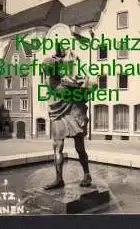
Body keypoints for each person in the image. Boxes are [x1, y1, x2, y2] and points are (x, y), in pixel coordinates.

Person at [42, 44, 95, 190]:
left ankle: (86, 175)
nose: (46, 72)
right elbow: (84, 89)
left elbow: (84, 88)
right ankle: (60, 179)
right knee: (58, 147)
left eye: (48, 69)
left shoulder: (58, 80)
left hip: (73, 115)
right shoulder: (56, 82)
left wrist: (63, 58)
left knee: (78, 148)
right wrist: (82, 82)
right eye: (46, 70)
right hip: (61, 115)